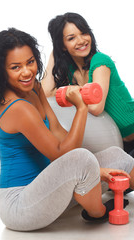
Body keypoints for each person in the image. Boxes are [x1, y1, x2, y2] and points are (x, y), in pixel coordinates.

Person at [0, 28, 134, 231]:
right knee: (82, 159)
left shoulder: (33, 87)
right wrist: (80, 107)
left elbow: (58, 132)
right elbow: (62, 153)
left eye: (30, 62)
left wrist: (96, 170)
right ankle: (99, 213)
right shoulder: (17, 108)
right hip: (20, 205)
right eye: (15, 67)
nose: (26, 71)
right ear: (1, 70)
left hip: (50, 187)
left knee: (117, 156)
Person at [42, 12, 134, 157]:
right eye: (71, 38)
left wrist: (72, 93)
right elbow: (45, 93)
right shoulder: (70, 71)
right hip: (118, 144)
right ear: (63, 45)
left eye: (83, 33)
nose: (81, 41)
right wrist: (55, 52)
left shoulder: (100, 61)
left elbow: (96, 107)